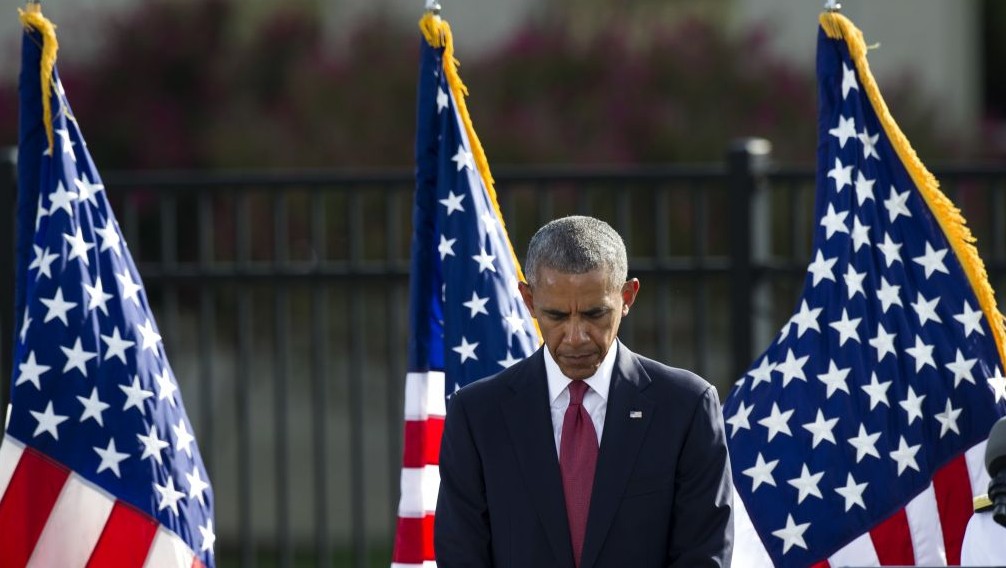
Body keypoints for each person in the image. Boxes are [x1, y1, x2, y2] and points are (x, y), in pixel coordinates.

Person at [434, 215, 734, 567]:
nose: (576, 337)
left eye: (594, 314)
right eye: (557, 316)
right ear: (528, 301)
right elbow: (461, 556)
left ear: (627, 296)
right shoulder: (477, 415)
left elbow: (703, 555)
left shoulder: (685, 407)